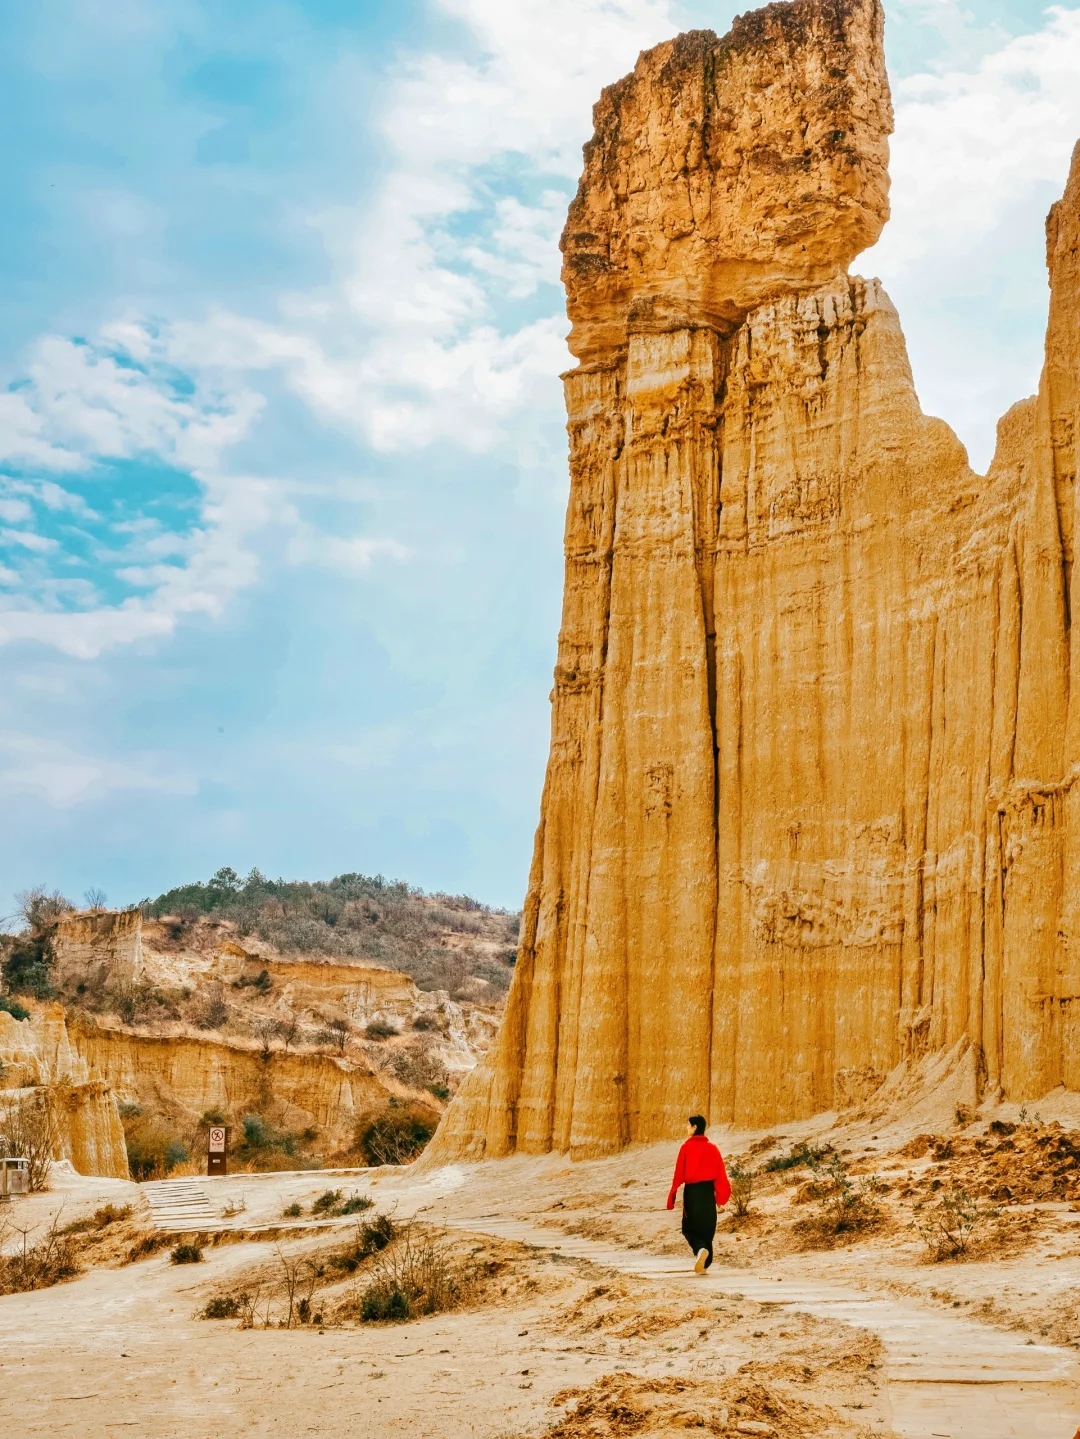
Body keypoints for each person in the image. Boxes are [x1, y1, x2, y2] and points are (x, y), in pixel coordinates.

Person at [666, 1114, 730, 1273]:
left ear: (695, 1127)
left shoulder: (686, 1147)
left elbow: (679, 1173)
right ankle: (704, 1265)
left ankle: (700, 1250)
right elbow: (720, 1173)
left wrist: (672, 1194)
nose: (687, 1128)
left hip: (692, 1193)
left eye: (688, 1125)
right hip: (708, 1193)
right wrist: (721, 1198)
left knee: (689, 1227)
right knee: (707, 1227)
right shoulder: (713, 1147)